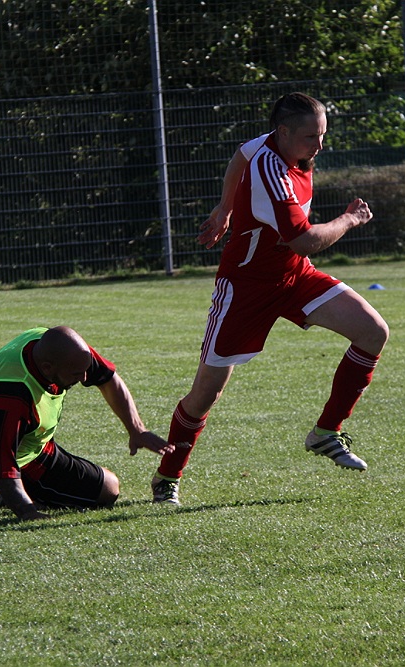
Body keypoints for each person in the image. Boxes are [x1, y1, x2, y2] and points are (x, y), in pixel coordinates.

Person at [151, 92, 390, 505]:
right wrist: (350, 219)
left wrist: (224, 207)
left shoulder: (273, 144)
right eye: (311, 137)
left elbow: (238, 154)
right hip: (245, 288)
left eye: (322, 134)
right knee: (206, 393)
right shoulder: (271, 170)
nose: (319, 145)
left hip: (294, 276)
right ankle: (167, 477)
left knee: (373, 331)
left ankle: (326, 432)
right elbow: (305, 240)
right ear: (283, 133)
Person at [0, 326, 175, 520]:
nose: (84, 378)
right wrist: (27, 511)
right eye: (76, 374)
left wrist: (137, 430)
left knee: (107, 482)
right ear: (47, 368)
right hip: (4, 458)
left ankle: (25, 493)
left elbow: (107, 378)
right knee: (108, 490)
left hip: (31, 443)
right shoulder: (13, 395)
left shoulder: (59, 347)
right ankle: (16, 495)